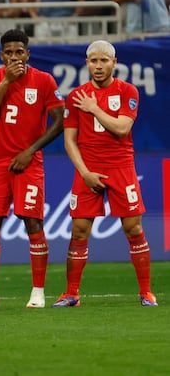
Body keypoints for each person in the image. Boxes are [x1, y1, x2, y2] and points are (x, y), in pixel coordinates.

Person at [52, 40, 158, 308]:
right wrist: (85, 172)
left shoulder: (127, 91)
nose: (98, 66)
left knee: (133, 228)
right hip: (88, 169)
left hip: (121, 167)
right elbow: (69, 141)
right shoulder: (76, 95)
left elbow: (122, 129)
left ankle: (146, 292)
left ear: (114, 62)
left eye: (103, 61)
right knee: (79, 231)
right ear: (87, 63)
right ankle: (71, 294)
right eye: (93, 61)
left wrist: (95, 108)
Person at [0, 29, 64, 310]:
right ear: (1, 55)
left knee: (32, 223)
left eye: (18, 52)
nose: (13, 57)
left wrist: (31, 150)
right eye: (8, 53)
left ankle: (38, 292)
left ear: (27, 54)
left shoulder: (44, 80)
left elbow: (59, 120)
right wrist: (5, 82)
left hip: (29, 162)